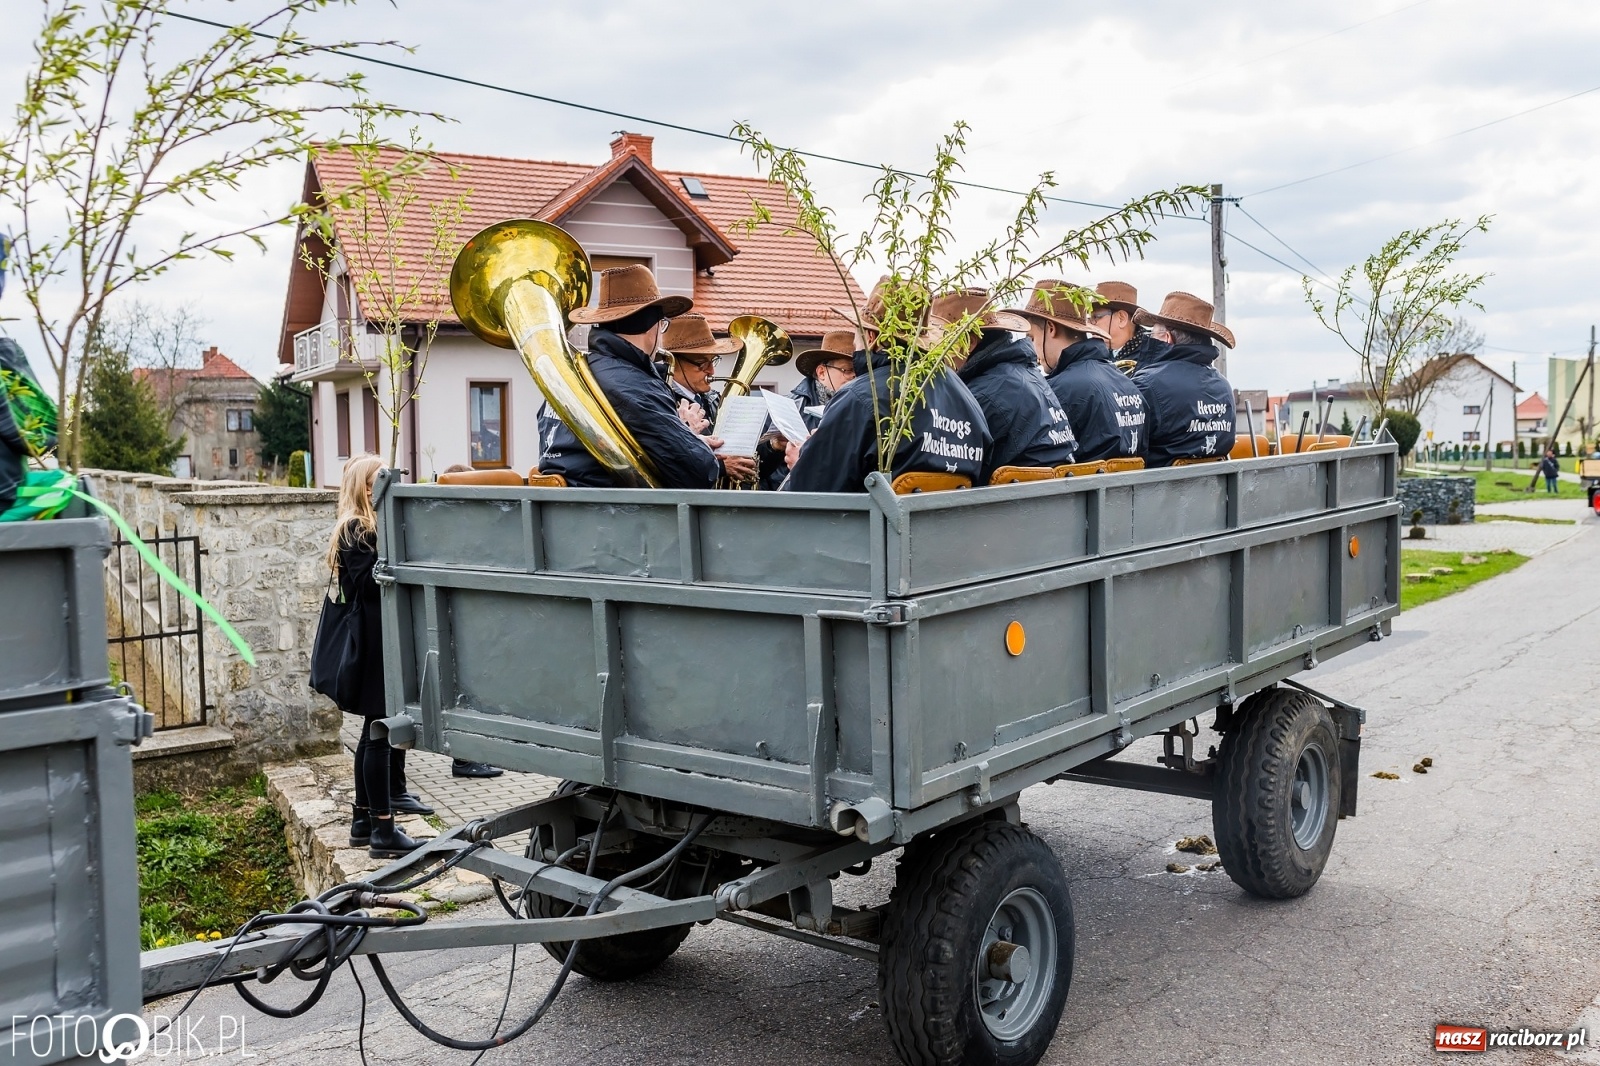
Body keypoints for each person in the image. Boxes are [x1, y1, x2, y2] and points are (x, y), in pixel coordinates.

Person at [538, 265, 742, 488]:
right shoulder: (635, 386)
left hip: (568, 506)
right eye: (662, 325)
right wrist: (703, 452)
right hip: (615, 512)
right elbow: (697, 472)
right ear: (653, 327)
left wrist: (691, 441)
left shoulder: (574, 374)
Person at [786, 296, 990, 493]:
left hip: (876, 527)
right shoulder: (965, 394)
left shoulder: (859, 397)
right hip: (947, 525)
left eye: (857, 340)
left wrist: (802, 461)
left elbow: (814, 491)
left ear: (870, 338)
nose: (856, 348)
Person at [328, 455, 420, 859]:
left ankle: (363, 822)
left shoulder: (366, 526)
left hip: (374, 638)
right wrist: (392, 564)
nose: (384, 482)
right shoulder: (356, 528)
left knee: (371, 734)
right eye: (377, 478)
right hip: (371, 642)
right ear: (363, 487)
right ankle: (383, 830)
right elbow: (365, 584)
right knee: (379, 735)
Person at [930, 288, 1077, 479]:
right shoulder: (1028, 376)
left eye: (940, 342)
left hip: (1018, 504)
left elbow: (953, 472)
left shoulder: (982, 395)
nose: (934, 352)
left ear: (968, 343)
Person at [1013, 281, 1147, 461]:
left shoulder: (1056, 392)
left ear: (1051, 328)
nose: (1031, 350)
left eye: (1032, 338)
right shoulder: (1128, 384)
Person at [1129, 292, 1237, 467]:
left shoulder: (1147, 384)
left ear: (1166, 338)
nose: (1148, 341)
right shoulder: (1223, 386)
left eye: (1152, 335)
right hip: (1212, 489)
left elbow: (1128, 447)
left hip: (1157, 489)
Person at [1089, 281, 1169, 370]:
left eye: (1096, 317)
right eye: (1089, 318)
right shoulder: (1093, 353)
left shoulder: (1154, 354)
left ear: (1121, 318)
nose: (1089, 324)